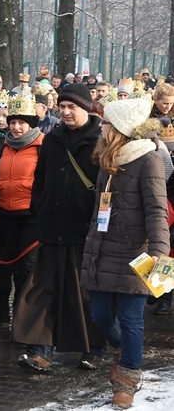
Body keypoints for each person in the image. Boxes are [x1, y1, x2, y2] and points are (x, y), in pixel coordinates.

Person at [82, 98, 170, 408]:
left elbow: (157, 211)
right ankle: (122, 350)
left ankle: (128, 378)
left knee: (132, 319)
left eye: (106, 123)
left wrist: (159, 254)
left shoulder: (148, 160)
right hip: (103, 249)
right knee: (100, 315)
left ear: (120, 128)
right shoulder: (108, 158)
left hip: (137, 254)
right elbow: (100, 207)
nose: (101, 127)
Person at [13, 83, 106, 373]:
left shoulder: (100, 141)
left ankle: (94, 349)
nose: (65, 112)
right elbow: (40, 178)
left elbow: (107, 187)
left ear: (86, 109)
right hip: (52, 227)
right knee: (42, 290)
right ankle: (39, 351)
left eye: (72, 107)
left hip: (85, 231)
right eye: (62, 107)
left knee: (84, 293)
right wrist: (40, 204)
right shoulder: (51, 141)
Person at [0, 94, 43, 330]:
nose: (16, 127)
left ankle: (21, 318)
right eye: (12, 122)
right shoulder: (3, 145)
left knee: (26, 269)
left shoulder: (43, 146)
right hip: (5, 215)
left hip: (31, 217)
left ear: (31, 123)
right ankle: (2, 312)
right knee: (5, 266)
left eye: (21, 122)